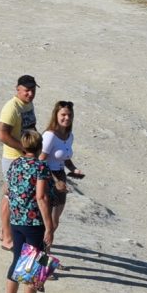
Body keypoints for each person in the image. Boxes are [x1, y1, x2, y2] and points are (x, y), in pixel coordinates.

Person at [3, 140, 56, 293]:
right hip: (34, 222)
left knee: (17, 260)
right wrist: (49, 226)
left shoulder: (15, 163)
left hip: (16, 220)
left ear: (24, 147)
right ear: (40, 147)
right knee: (33, 267)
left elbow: (6, 191)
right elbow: (41, 197)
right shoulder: (41, 167)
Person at [0, 75, 40, 250]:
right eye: (26, 90)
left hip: (25, 157)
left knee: (17, 196)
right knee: (10, 196)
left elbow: (31, 127)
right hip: (13, 159)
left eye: (33, 90)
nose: (30, 94)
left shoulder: (27, 105)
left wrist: (37, 147)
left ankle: (3, 231)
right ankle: (7, 239)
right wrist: (24, 149)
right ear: (18, 89)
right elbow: (2, 135)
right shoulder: (11, 108)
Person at [39, 101, 84, 241]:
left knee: (55, 221)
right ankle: (44, 252)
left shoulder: (69, 136)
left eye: (69, 115)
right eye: (63, 114)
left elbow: (65, 159)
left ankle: (42, 248)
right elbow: (41, 160)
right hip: (47, 179)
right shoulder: (50, 135)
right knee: (47, 223)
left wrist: (74, 169)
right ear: (56, 115)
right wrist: (55, 180)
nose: (67, 118)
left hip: (61, 179)